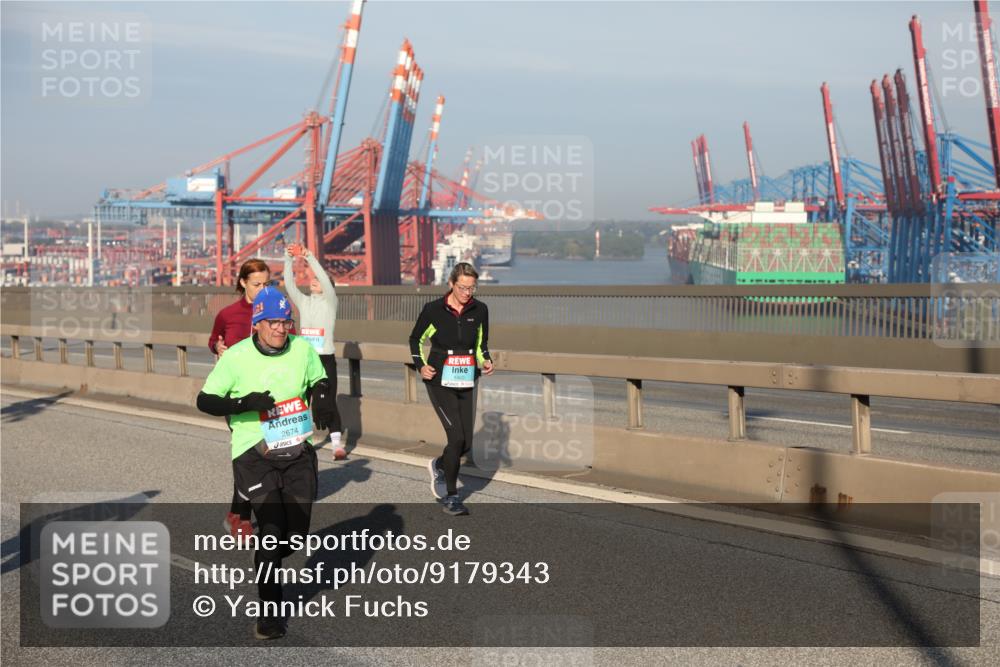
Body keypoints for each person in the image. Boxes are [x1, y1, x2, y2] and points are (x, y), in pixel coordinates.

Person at [197, 286, 334, 640]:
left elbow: (319, 378)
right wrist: (244, 402)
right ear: (257, 323)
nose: (279, 329)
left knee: (295, 535)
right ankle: (269, 613)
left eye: (285, 321)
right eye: (272, 322)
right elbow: (205, 400)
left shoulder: (302, 350)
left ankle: (270, 554)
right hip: (253, 454)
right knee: (271, 534)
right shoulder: (237, 357)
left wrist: (321, 399)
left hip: (296, 452)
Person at [408, 262, 494, 516]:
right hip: (439, 380)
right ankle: (452, 496)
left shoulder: (480, 310)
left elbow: (481, 342)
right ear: (451, 284)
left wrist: (486, 360)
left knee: (466, 442)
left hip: (467, 378)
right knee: (455, 437)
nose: (468, 292)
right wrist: (420, 365)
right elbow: (415, 339)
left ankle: (441, 464)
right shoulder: (433, 310)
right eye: (463, 287)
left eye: (472, 287)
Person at [209, 259, 271, 539]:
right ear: (243, 283)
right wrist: (218, 346)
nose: (262, 289)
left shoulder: (276, 310)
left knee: (264, 455)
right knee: (247, 451)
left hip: (270, 394)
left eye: (266, 283)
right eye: (257, 284)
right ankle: (242, 518)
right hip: (236, 395)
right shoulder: (228, 314)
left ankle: (237, 510)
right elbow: (214, 340)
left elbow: (290, 341)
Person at [282, 243, 344, 457]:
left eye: (317, 280)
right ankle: (300, 441)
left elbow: (325, 280)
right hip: (305, 359)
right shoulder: (304, 302)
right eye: (313, 279)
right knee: (301, 401)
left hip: (325, 358)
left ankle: (337, 444)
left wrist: (309, 257)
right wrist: (288, 258)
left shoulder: (331, 303)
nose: (313, 281)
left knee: (327, 400)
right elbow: (289, 285)